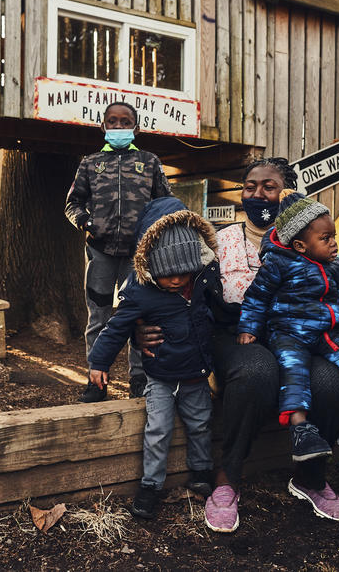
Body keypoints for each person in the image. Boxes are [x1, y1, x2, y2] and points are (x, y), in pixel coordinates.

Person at [135, 157, 339, 533]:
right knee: (256, 370)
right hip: (232, 334)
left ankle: (311, 478)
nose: (257, 193)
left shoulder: (312, 242)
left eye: (269, 186)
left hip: (295, 335)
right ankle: (227, 478)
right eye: (250, 185)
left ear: (288, 193)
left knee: (330, 382)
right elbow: (172, 285)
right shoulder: (217, 240)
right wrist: (143, 326)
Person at [87, 197, 220, 519]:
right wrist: (99, 363)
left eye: (182, 272)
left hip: (196, 376)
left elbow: (223, 314)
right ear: (151, 266)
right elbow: (115, 328)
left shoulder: (203, 284)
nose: (175, 280)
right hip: (160, 378)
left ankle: (202, 472)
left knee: (200, 424)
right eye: (167, 273)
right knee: (157, 430)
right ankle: (150, 485)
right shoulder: (142, 293)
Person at [238, 192, 339, 465]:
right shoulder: (278, 263)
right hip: (288, 333)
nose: (334, 243)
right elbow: (257, 297)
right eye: (325, 239)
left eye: (333, 236)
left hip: (329, 332)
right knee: (293, 371)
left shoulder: (335, 266)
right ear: (301, 245)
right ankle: (301, 429)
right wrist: (249, 328)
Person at [65, 101, 172, 402]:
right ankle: (96, 380)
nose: (118, 127)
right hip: (99, 253)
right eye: (112, 122)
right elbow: (72, 204)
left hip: (138, 257)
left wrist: (155, 236)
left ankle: (138, 379)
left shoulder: (150, 162)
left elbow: (166, 204)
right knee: (98, 318)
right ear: (103, 127)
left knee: (138, 317)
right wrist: (86, 223)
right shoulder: (90, 162)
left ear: (136, 128)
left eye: (125, 122)